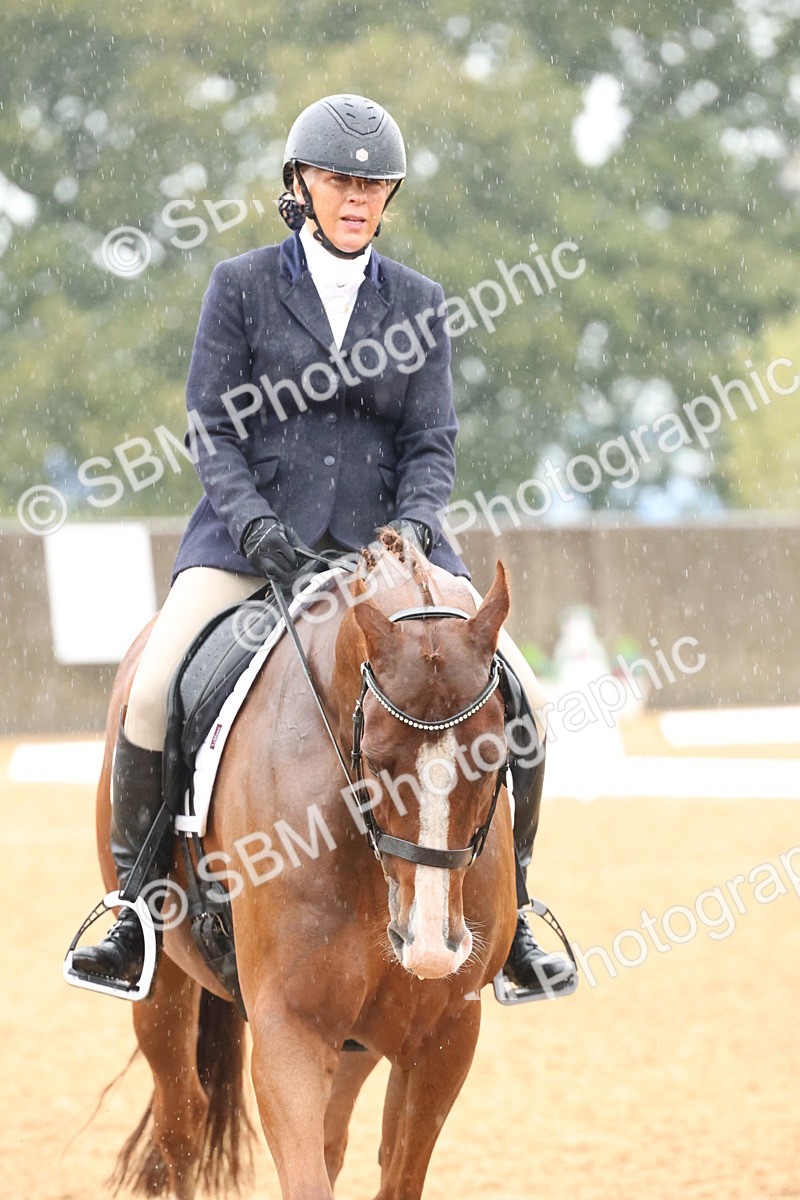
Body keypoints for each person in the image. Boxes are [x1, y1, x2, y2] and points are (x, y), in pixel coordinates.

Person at [71, 94, 575, 999]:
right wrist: (259, 528)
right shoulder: (243, 285)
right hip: (245, 543)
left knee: (523, 698)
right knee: (151, 692)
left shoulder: (418, 302)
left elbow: (432, 442)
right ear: (300, 185)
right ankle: (138, 917)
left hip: (393, 556)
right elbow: (213, 430)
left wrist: (415, 532)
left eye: (374, 184)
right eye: (341, 180)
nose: (357, 197)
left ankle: (520, 910)